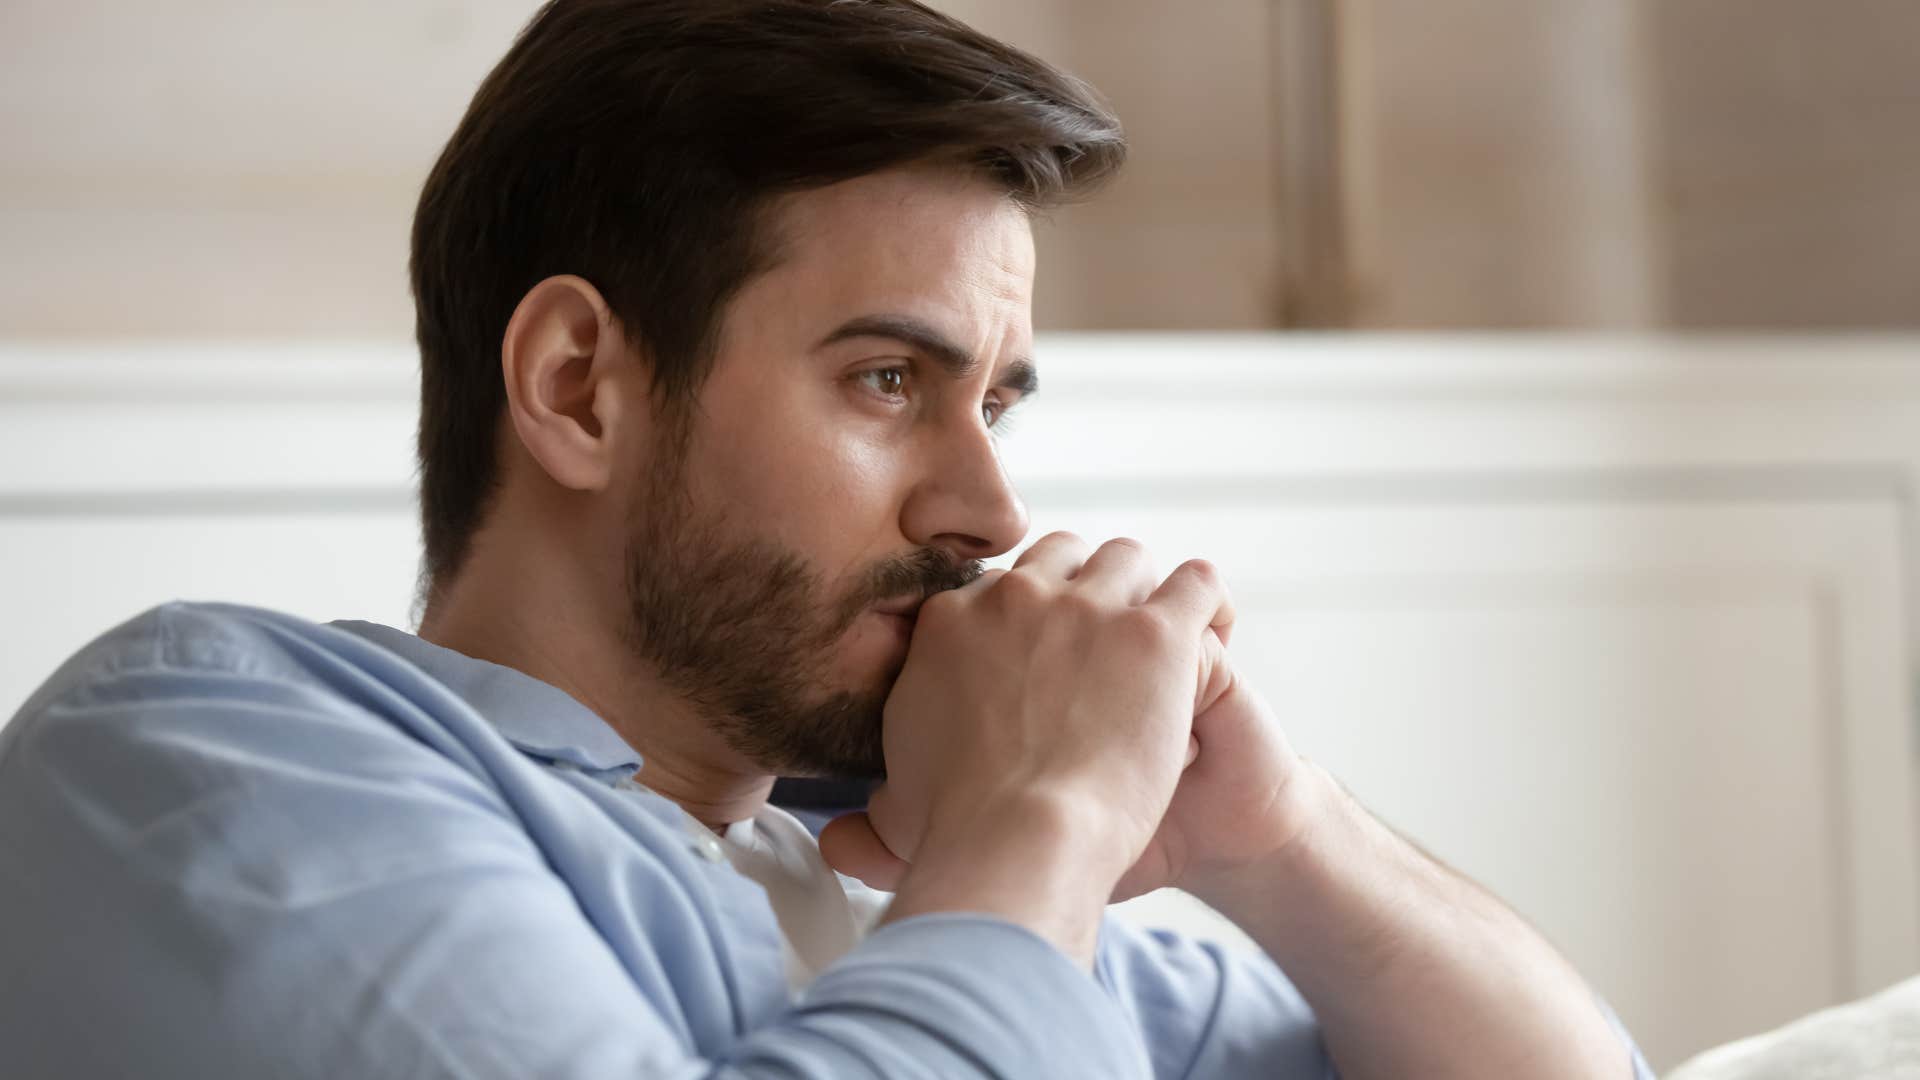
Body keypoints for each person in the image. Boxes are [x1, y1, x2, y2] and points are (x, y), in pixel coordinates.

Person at [0, 1, 1655, 1076]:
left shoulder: (926, 887)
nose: (990, 510)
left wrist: (1277, 838)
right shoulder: (206, 752)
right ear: (581, 385)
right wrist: (1044, 827)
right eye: (887, 379)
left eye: (995, 403)